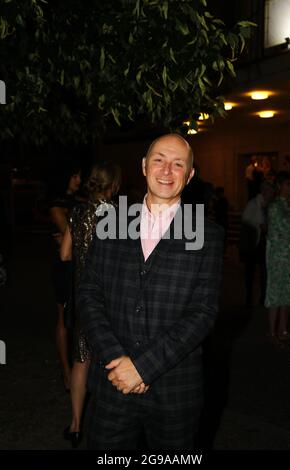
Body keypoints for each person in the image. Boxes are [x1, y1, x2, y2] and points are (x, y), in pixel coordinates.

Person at [78, 133, 224, 450]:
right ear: (144, 166)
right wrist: (117, 360)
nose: (166, 171)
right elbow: (89, 294)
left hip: (175, 392)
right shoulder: (110, 221)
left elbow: (203, 314)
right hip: (111, 382)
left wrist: (143, 368)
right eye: (158, 160)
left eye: (177, 164)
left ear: (190, 174)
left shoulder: (208, 234)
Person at [60, 162, 121, 448]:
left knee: (80, 360)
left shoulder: (78, 211)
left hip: (83, 297)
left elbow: (64, 254)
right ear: (113, 184)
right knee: (110, 358)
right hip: (109, 299)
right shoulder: (117, 215)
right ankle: (108, 422)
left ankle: (74, 425)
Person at [49, 165, 81, 391]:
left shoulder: (78, 201)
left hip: (79, 264)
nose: (79, 180)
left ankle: (80, 367)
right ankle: (66, 370)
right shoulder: (57, 205)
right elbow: (71, 239)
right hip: (63, 265)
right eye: (75, 175)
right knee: (63, 317)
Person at [265, 171, 290, 344]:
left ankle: (284, 330)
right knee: (275, 293)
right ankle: (272, 333)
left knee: (288, 293)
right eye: (287, 184)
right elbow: (275, 233)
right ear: (279, 186)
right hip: (278, 256)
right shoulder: (275, 206)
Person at [239, 181, 275, 307]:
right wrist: (259, 225)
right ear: (264, 191)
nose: (272, 193)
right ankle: (249, 297)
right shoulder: (254, 203)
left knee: (264, 271)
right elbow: (245, 219)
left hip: (264, 242)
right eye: (270, 191)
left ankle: (263, 297)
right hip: (253, 242)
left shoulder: (271, 205)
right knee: (250, 271)